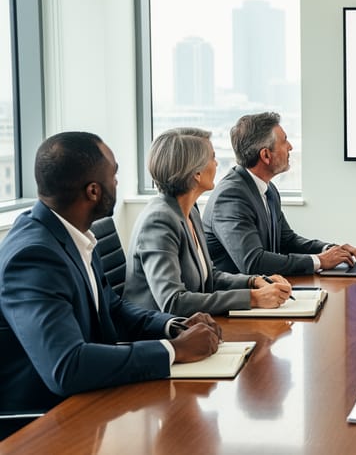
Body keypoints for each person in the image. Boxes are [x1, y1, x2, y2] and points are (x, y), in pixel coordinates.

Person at [0, 132, 221, 429]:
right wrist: (174, 350)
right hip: (45, 424)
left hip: (93, 400)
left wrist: (172, 326)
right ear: (93, 191)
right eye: (114, 175)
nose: (117, 183)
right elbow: (67, 366)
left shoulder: (72, 235)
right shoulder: (35, 256)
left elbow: (113, 308)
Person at [124, 128, 292, 316]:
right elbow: (174, 302)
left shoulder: (190, 211)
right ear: (196, 173)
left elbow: (209, 277)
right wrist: (252, 298)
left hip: (194, 325)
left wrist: (253, 281)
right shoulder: (159, 220)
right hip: (159, 335)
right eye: (212, 157)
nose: (216, 163)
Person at [202, 112, 356, 275]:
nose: (290, 147)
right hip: (242, 296)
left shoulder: (267, 189)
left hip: (268, 289)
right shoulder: (231, 197)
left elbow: (286, 240)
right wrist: (320, 261)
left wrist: (330, 250)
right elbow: (253, 262)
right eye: (285, 141)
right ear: (265, 155)